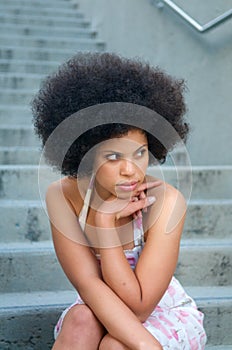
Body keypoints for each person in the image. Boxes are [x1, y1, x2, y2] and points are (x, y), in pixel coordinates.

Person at [32, 52, 207, 349]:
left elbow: (139, 307)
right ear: (85, 156)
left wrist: (146, 345)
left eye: (139, 152)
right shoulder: (62, 195)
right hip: (99, 306)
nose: (131, 170)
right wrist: (102, 218)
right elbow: (88, 284)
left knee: (116, 346)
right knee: (80, 322)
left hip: (161, 313)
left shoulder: (166, 202)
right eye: (113, 157)